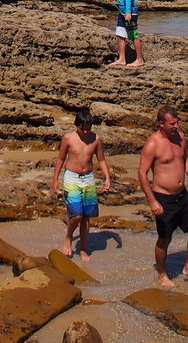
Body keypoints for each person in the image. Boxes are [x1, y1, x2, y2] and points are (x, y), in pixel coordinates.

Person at [139, 106, 188, 289]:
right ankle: (162, 274)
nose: (176, 126)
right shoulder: (153, 144)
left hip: (182, 195)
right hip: (163, 198)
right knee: (164, 239)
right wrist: (152, 201)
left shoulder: (180, 137)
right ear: (161, 124)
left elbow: (184, 158)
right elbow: (142, 174)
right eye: (172, 124)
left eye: (177, 123)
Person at [52, 108, 113, 263]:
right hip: (72, 177)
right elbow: (60, 159)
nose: (85, 132)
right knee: (77, 215)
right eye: (82, 128)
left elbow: (101, 160)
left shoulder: (96, 139)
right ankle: (68, 236)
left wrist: (107, 177)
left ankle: (84, 249)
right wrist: (55, 180)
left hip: (88, 178)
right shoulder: (68, 138)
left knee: (86, 217)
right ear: (76, 125)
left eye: (88, 128)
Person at [107, 0, 144, 67]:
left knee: (133, 35)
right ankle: (122, 59)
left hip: (130, 11)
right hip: (122, 10)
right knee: (120, 34)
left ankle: (140, 59)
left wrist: (128, 13)